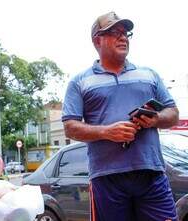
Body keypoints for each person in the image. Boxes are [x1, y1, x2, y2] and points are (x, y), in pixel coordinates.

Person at [62, 11, 179, 221]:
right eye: (115, 32)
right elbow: (70, 126)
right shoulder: (80, 82)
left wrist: (156, 119)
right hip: (107, 179)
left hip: (151, 174)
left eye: (126, 33)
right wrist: (107, 132)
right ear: (97, 39)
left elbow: (173, 114)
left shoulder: (149, 75)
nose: (123, 37)